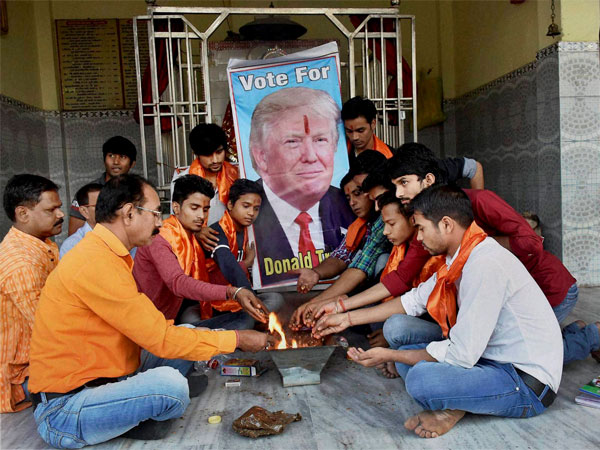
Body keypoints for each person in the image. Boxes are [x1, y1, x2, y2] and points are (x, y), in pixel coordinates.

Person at [28, 174, 272, 447]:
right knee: (172, 386)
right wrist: (238, 339)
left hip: (114, 374)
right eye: (155, 213)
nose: (159, 222)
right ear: (129, 214)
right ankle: (133, 415)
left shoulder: (110, 253)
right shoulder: (94, 262)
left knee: (188, 332)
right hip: (65, 408)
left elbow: (157, 332)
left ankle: (134, 410)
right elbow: (163, 333)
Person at [314, 185, 563, 438]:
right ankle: (461, 402)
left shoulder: (485, 264)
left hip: (525, 383)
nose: (418, 238)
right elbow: (411, 301)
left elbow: (462, 354)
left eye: (421, 228)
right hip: (488, 359)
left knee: (421, 379)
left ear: (446, 224)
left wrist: (386, 354)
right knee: (405, 350)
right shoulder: (460, 257)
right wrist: (344, 318)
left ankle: (456, 406)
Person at [388, 149, 600, 365]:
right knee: (481, 349)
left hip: (549, 288)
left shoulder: (478, 203)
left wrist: (472, 242)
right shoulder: (426, 227)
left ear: (428, 180)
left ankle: (593, 335)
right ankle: (576, 331)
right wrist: (351, 312)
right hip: (502, 299)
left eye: (404, 183)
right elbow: (402, 279)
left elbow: (532, 243)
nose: (398, 194)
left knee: (524, 358)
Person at [248, 87, 355, 286]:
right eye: (293, 142)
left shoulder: (349, 204)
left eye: (320, 140)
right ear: (261, 156)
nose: (311, 156)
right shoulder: (245, 210)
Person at [134, 175, 271, 328]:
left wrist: (240, 284)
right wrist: (233, 292)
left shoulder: (194, 237)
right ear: (176, 207)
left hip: (172, 318)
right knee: (241, 325)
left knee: (253, 314)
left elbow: (210, 278)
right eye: (194, 208)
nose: (201, 216)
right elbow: (178, 283)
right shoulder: (159, 238)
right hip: (148, 325)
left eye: (205, 210)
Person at [290, 151, 391, 328]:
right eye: (348, 197)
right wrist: (316, 273)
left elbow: (360, 269)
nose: (353, 202)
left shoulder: (386, 218)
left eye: (360, 191)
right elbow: (342, 256)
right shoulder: (361, 224)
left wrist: (318, 302)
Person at [1, 174, 64, 413]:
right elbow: (48, 329)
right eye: (51, 210)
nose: (60, 215)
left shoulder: (40, 245)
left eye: (59, 208)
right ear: (23, 214)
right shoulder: (21, 263)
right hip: (21, 379)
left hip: (40, 363)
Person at [199, 178, 284, 326]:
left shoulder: (246, 232)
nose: (251, 213)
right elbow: (228, 265)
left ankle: (245, 319)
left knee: (276, 299)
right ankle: (243, 323)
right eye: (246, 206)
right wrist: (247, 267)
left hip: (239, 298)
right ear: (230, 204)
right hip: (218, 301)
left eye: (256, 208)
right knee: (245, 322)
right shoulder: (215, 233)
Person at [68, 136, 137, 235]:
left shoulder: (139, 191)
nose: (116, 162)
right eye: (111, 156)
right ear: (104, 159)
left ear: (132, 164)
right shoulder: (89, 192)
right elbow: (74, 235)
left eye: (122, 157)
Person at [342, 96, 394, 163]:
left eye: (360, 131)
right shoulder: (338, 155)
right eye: (349, 131)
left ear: (373, 124)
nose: (355, 137)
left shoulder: (390, 157)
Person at [60, 183, 102, 257]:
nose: (108, 208)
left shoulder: (121, 235)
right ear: (84, 211)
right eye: (99, 205)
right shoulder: (72, 245)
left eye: (110, 203)